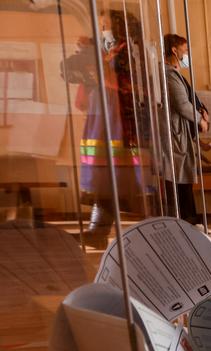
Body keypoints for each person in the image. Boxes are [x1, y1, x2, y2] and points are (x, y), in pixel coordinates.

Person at [62, 10, 144, 247]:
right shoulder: (105, 50)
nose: (102, 30)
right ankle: (97, 231)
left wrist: (101, 73)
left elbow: (131, 83)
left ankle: (104, 231)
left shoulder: (129, 51)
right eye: (100, 26)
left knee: (113, 175)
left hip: (117, 117)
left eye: (105, 25)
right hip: (102, 114)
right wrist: (87, 54)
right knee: (102, 176)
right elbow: (71, 71)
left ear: (118, 27)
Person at [163, 33, 209, 225]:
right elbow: (182, 105)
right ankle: (187, 221)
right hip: (176, 136)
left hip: (179, 135)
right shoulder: (169, 74)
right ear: (175, 50)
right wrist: (200, 120)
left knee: (184, 181)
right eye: (185, 50)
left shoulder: (174, 75)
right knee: (180, 182)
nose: (187, 54)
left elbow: (189, 99)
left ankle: (189, 220)